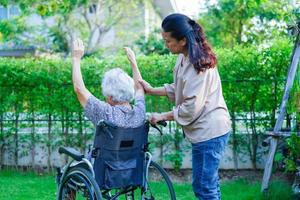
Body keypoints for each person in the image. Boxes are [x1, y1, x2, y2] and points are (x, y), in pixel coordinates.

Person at [139, 13, 232, 200]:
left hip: (210, 132)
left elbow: (191, 106)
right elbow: (180, 88)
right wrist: (151, 90)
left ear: (182, 40)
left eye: (168, 41)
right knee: (207, 184)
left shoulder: (198, 64)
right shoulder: (185, 56)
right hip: (205, 131)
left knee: (204, 188)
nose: (166, 45)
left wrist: (163, 116)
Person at [71, 38, 145, 129]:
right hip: (137, 144)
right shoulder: (140, 112)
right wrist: (133, 62)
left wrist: (76, 58)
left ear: (110, 97)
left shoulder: (106, 113)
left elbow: (79, 89)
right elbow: (140, 88)